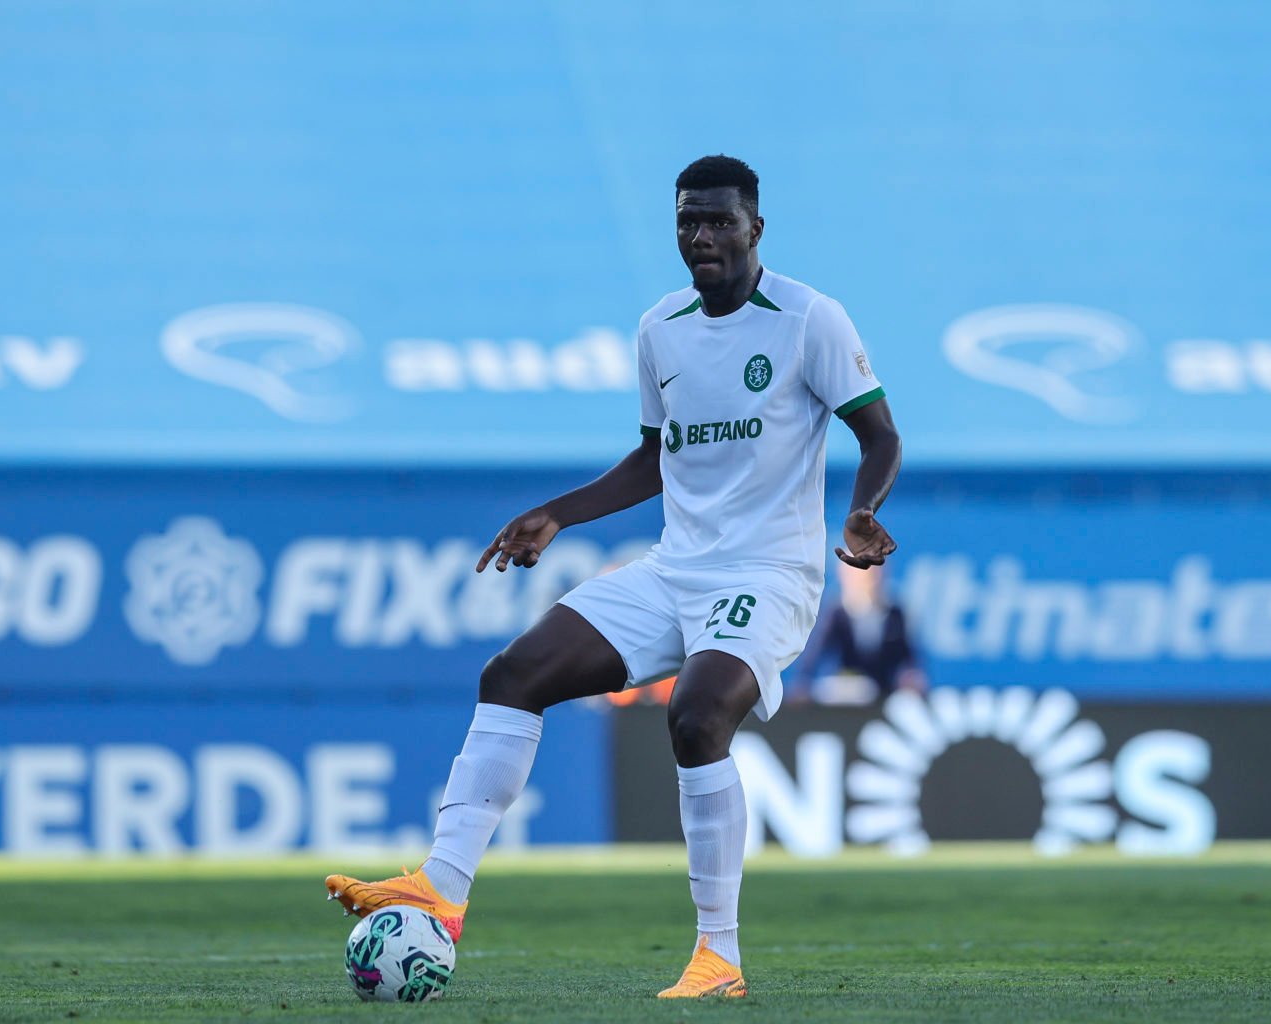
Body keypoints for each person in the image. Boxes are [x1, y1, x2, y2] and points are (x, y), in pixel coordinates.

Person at [324, 154, 902, 999]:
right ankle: (441, 888)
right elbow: (652, 459)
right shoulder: (659, 327)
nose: (700, 235)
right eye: (686, 221)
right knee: (512, 674)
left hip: (770, 573)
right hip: (677, 569)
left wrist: (860, 511)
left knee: (698, 715)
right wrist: (559, 513)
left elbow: (880, 434)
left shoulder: (809, 319)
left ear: (755, 228)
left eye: (717, 220)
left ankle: (719, 958)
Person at [793, 562, 926, 703]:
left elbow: (911, 659)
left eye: (874, 571)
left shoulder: (897, 613)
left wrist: (911, 677)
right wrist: (803, 682)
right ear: (845, 576)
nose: (869, 578)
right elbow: (814, 655)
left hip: (887, 697)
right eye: (862, 572)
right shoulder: (835, 613)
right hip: (846, 698)